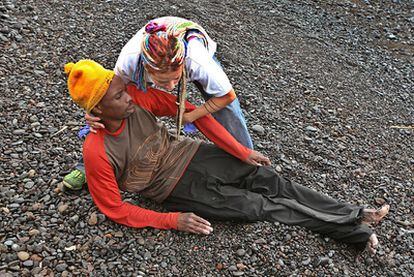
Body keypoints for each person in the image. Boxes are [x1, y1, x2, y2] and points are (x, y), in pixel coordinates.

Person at [64, 59, 389, 254]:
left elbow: (195, 113)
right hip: (174, 188)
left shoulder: (137, 99)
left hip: (192, 153)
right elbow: (114, 208)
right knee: (260, 207)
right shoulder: (96, 151)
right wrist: (172, 220)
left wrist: (240, 150)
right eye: (119, 96)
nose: (128, 96)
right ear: (97, 110)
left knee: (269, 179)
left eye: (124, 88)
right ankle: (354, 233)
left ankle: (355, 212)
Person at [63, 16, 254, 190]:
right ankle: (86, 165)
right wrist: (94, 111)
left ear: (183, 67)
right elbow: (109, 94)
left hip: (189, 42)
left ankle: (247, 162)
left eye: (176, 79)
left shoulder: (198, 62)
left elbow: (227, 96)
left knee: (229, 110)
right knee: (118, 105)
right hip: (152, 54)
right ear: (146, 70)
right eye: (163, 82)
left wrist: (192, 115)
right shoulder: (130, 61)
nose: (170, 88)